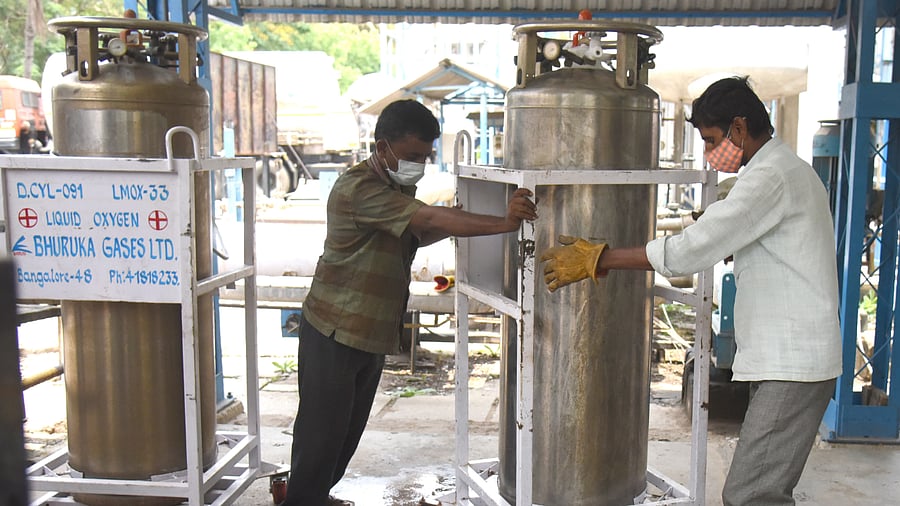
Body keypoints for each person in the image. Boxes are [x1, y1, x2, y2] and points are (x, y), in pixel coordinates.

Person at [539, 76, 841, 506]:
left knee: (751, 494)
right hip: (786, 361)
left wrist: (598, 258)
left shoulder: (771, 176)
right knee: (761, 492)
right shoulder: (781, 171)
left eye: (712, 139)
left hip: (792, 364)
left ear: (740, 128)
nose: (708, 153)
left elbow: (690, 250)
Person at [282, 99, 538, 506]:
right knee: (320, 435)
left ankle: (315, 496)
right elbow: (427, 220)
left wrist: (469, 220)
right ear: (383, 146)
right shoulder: (359, 188)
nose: (420, 164)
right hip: (335, 329)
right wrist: (504, 223)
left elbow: (415, 233)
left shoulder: (395, 187)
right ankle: (302, 499)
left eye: (426, 156)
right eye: (413, 156)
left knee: (345, 433)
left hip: (368, 331)